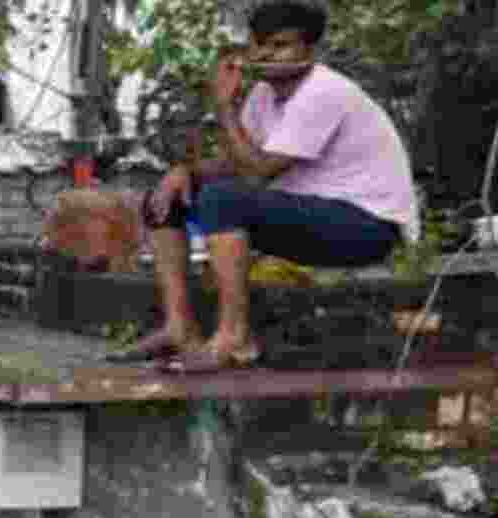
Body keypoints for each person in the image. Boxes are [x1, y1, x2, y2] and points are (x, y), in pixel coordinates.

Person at [111, 0, 417, 373]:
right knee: (164, 199)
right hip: (312, 215)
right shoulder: (263, 96)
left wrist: (224, 108)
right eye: (262, 45)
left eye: (282, 45)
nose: (269, 55)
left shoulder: (325, 92)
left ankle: (235, 337)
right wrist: (184, 172)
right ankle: (179, 328)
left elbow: (256, 172)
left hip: (367, 227)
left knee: (225, 200)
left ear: (308, 50)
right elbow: (236, 161)